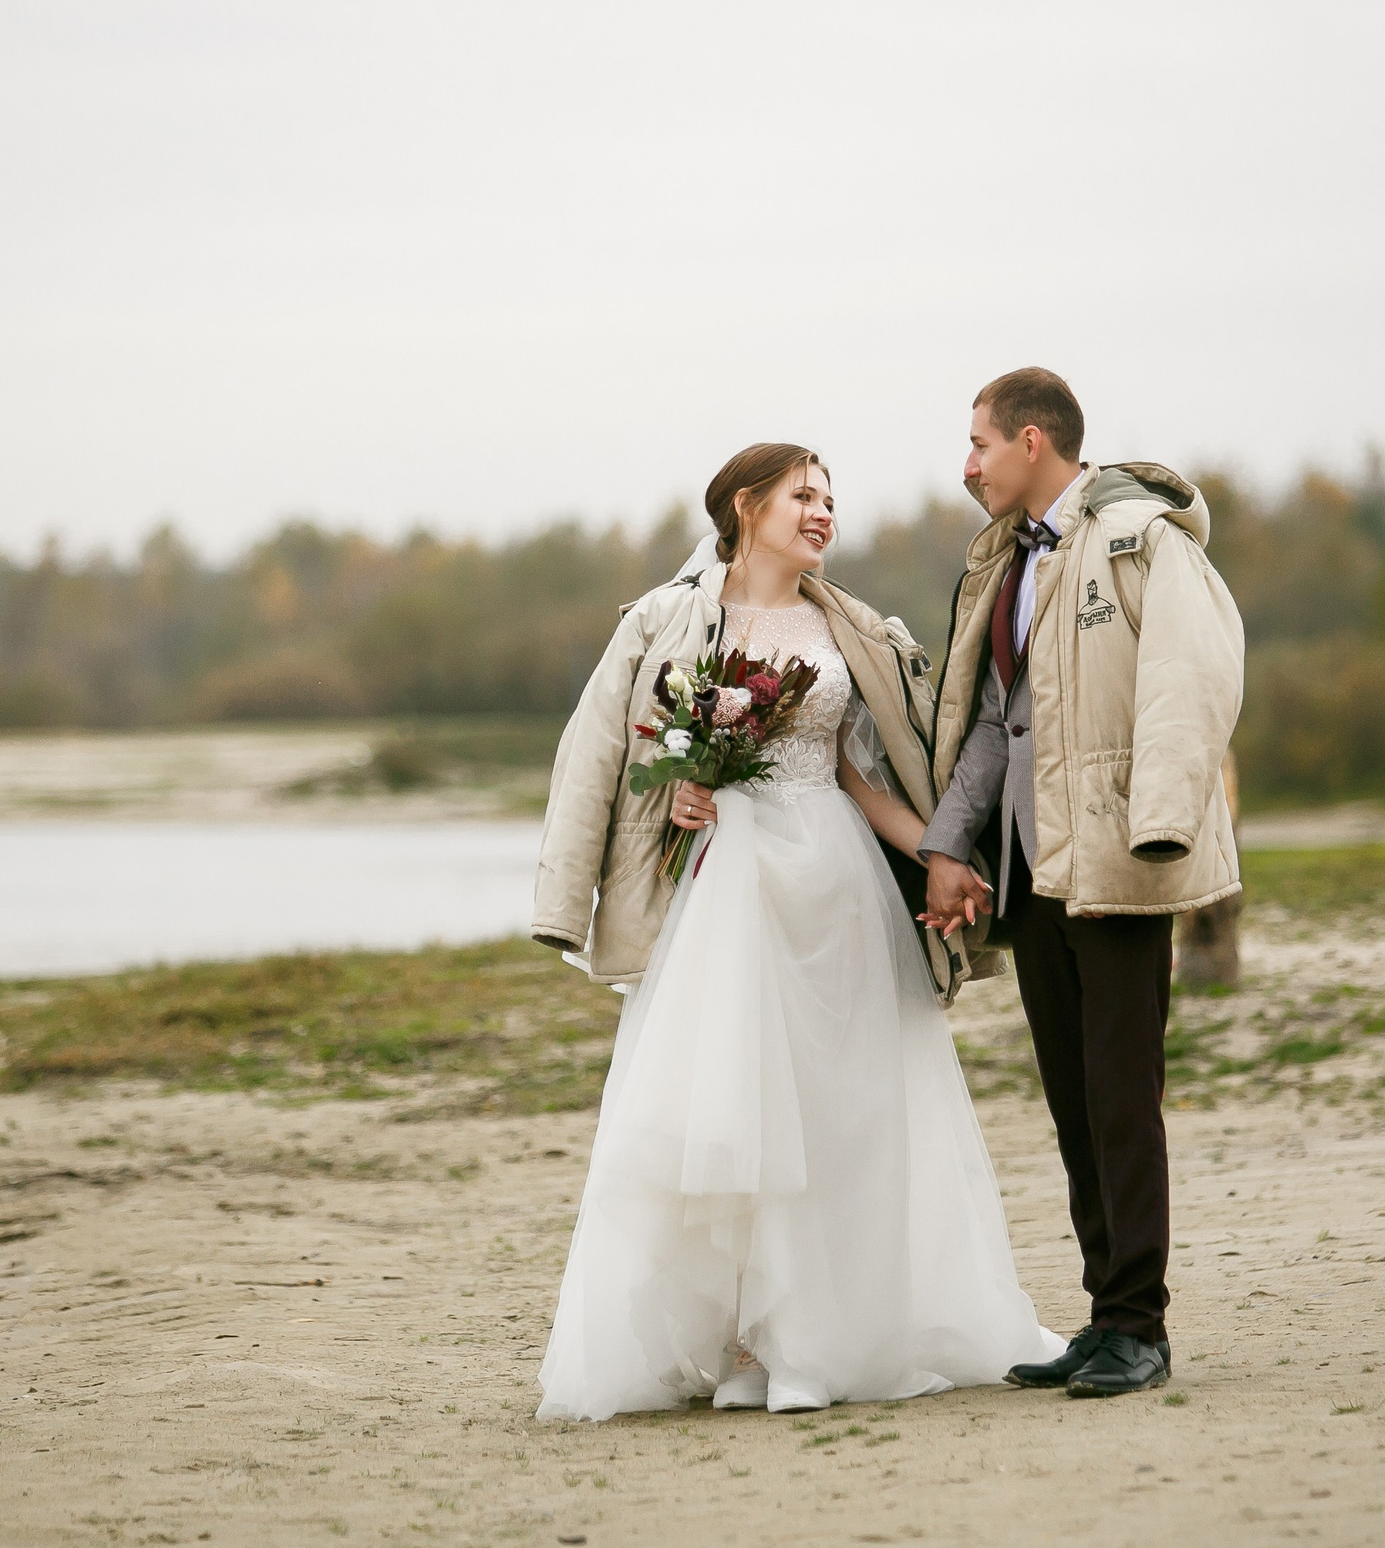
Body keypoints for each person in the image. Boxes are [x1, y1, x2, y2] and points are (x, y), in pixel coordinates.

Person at [530, 443, 1059, 1421]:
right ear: (747, 505)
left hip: (836, 884)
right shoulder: (680, 618)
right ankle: (745, 1345)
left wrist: (945, 854)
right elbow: (629, 752)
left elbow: (862, 779)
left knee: (836, 1107)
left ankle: (815, 1336)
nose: (822, 512)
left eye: (829, 498)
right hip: (730, 889)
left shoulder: (841, 625)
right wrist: (682, 783)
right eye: (802, 496)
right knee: (732, 1110)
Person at [918, 367, 1245, 1400]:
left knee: (1120, 1098)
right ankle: (1104, 1314)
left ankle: (1138, 1325)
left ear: (1029, 440)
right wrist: (943, 843)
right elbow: (987, 720)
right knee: (1071, 1101)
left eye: (976, 443)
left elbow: (1193, 680)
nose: (966, 465)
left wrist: (1158, 823)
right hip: (1030, 875)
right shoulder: (1008, 565)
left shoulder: (1142, 538)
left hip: (1115, 863)